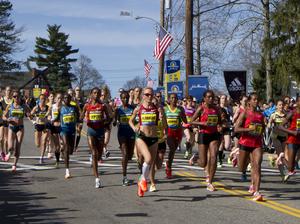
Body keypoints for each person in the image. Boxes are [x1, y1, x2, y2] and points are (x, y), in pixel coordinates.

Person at [129, 87, 163, 197]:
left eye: (151, 95)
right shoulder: (138, 108)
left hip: (153, 138)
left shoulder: (157, 107)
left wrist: (161, 115)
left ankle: (141, 183)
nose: (149, 97)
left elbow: (162, 119)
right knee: (147, 159)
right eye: (147, 94)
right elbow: (130, 120)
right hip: (142, 137)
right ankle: (143, 179)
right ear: (143, 95)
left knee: (150, 164)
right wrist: (134, 127)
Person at [235, 93, 265, 201]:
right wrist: (249, 130)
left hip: (257, 143)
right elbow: (236, 129)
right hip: (245, 142)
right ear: (249, 102)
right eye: (254, 99)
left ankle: (256, 192)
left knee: (257, 165)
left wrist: (259, 132)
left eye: (257, 99)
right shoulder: (245, 113)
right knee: (241, 168)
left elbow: (263, 128)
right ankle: (237, 156)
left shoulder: (260, 115)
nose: (256, 101)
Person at [190, 90, 222, 192]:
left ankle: (210, 182)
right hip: (203, 134)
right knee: (203, 163)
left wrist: (220, 126)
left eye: (212, 97)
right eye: (208, 97)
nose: (211, 99)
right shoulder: (201, 108)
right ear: (204, 98)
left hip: (214, 135)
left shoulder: (217, 109)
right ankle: (196, 158)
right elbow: (191, 121)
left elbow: (220, 121)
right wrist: (203, 123)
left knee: (213, 157)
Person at [81, 87, 110, 188]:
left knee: (99, 155)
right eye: (94, 93)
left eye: (98, 93)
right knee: (94, 153)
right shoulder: (87, 105)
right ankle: (97, 179)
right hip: (91, 132)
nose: (96, 95)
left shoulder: (103, 105)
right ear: (91, 94)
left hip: (100, 132)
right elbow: (81, 117)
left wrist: (104, 122)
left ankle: (95, 159)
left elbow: (109, 118)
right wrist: (84, 119)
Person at [3, 90, 31, 171]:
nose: (16, 98)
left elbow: (30, 114)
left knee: (18, 147)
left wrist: (30, 115)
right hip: (11, 128)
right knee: (10, 147)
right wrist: (7, 119)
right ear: (12, 97)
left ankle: (14, 165)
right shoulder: (10, 106)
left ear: (20, 97)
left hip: (20, 128)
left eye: (17, 96)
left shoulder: (23, 106)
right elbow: (3, 116)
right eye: (14, 96)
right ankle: (9, 153)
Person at [56, 94, 81, 179]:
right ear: (63, 99)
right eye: (65, 98)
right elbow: (57, 117)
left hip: (72, 130)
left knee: (70, 151)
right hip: (64, 130)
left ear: (71, 99)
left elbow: (78, 118)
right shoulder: (60, 108)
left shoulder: (74, 108)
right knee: (66, 148)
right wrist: (52, 121)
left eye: (68, 98)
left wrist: (79, 124)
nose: (66, 99)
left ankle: (64, 151)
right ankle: (67, 170)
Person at [113, 91, 135, 186]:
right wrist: (114, 121)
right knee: (125, 154)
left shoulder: (132, 108)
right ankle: (124, 177)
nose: (125, 99)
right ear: (120, 99)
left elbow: (136, 120)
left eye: (126, 97)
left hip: (131, 134)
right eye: (123, 98)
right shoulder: (118, 110)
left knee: (129, 156)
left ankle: (125, 175)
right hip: (121, 134)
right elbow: (114, 121)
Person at [164, 93, 187, 179]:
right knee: (172, 148)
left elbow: (185, 120)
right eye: (172, 98)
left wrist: (182, 116)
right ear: (169, 100)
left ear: (177, 99)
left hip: (178, 132)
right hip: (169, 132)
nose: (174, 99)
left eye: (175, 98)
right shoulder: (165, 109)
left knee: (173, 151)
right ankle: (169, 168)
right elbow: (162, 120)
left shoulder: (180, 109)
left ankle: (168, 163)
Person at [278, 95, 300, 182]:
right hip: (292, 140)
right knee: (291, 168)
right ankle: (281, 158)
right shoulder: (292, 113)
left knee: (294, 164)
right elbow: (280, 126)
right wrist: (292, 132)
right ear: (297, 102)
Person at [268, 100, 288, 179]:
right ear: (276, 106)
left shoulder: (286, 115)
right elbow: (269, 123)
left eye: (282, 105)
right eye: (279, 105)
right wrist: (269, 125)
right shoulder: (274, 115)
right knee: (281, 154)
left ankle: (273, 158)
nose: (281, 106)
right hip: (275, 136)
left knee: (282, 155)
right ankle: (283, 174)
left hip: (284, 136)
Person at [31, 94, 50, 164]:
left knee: (44, 141)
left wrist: (48, 119)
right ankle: (42, 146)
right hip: (38, 125)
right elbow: (29, 115)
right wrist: (33, 121)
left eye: (44, 99)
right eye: (41, 99)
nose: (43, 100)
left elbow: (50, 116)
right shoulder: (36, 108)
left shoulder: (48, 108)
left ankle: (41, 157)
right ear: (39, 100)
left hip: (45, 126)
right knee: (38, 144)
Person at [49, 93, 63, 167]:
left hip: (62, 127)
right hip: (54, 127)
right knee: (57, 146)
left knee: (63, 144)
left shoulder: (64, 107)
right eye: (58, 98)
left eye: (61, 98)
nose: (59, 100)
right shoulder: (52, 106)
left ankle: (63, 152)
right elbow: (48, 115)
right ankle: (57, 161)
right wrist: (49, 119)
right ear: (55, 99)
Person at [0, 86, 13, 157]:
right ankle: (2, 151)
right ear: (5, 91)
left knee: (6, 140)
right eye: (7, 90)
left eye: (10, 91)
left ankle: (6, 153)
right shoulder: (1, 101)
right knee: (1, 139)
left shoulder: (13, 101)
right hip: (2, 120)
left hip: (10, 122)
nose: (9, 92)